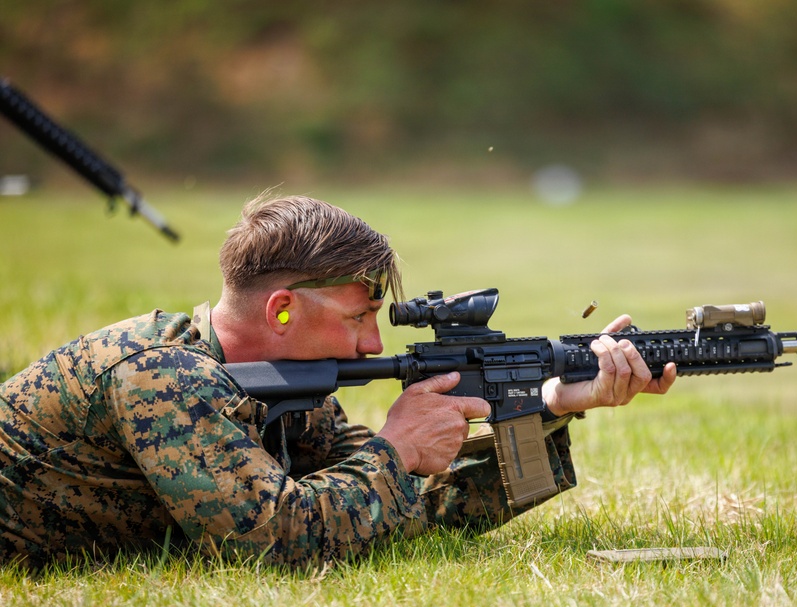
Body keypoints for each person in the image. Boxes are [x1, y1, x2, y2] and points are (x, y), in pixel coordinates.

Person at [0, 193, 676, 568]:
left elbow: (397, 509)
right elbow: (276, 541)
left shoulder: (282, 390)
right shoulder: (161, 378)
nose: (374, 343)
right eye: (358, 317)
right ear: (282, 308)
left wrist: (552, 403)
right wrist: (396, 449)